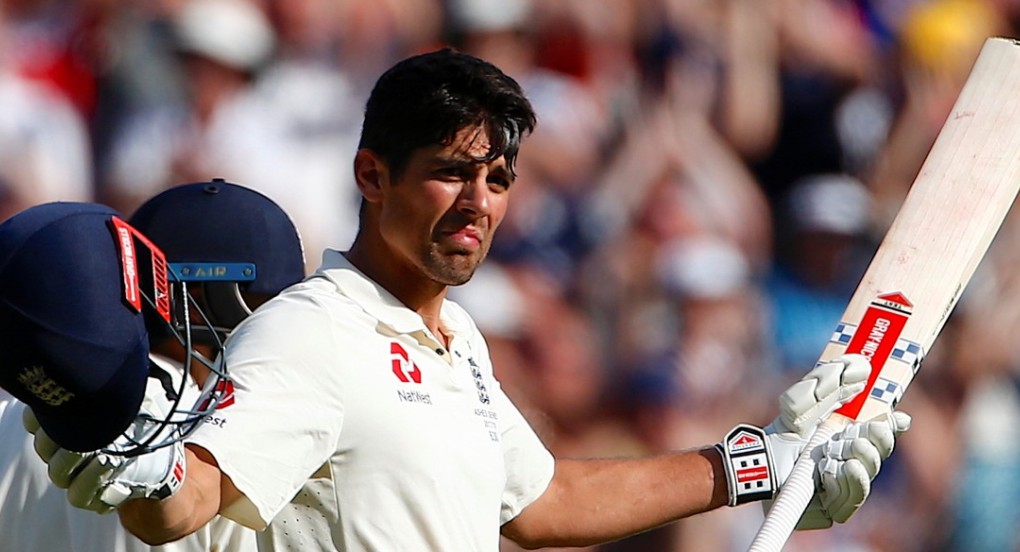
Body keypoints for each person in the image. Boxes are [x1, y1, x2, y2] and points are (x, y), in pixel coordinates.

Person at [27, 49, 909, 550]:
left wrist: (756, 464)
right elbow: (181, 504)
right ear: (372, 175)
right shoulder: (311, 331)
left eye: (497, 178)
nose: (479, 202)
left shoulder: (459, 340)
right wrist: (106, 438)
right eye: (450, 172)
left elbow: (544, 504)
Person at [0, 179, 306, 552]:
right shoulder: (213, 433)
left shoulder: (16, 412)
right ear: (197, 298)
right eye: (269, 301)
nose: (284, 324)